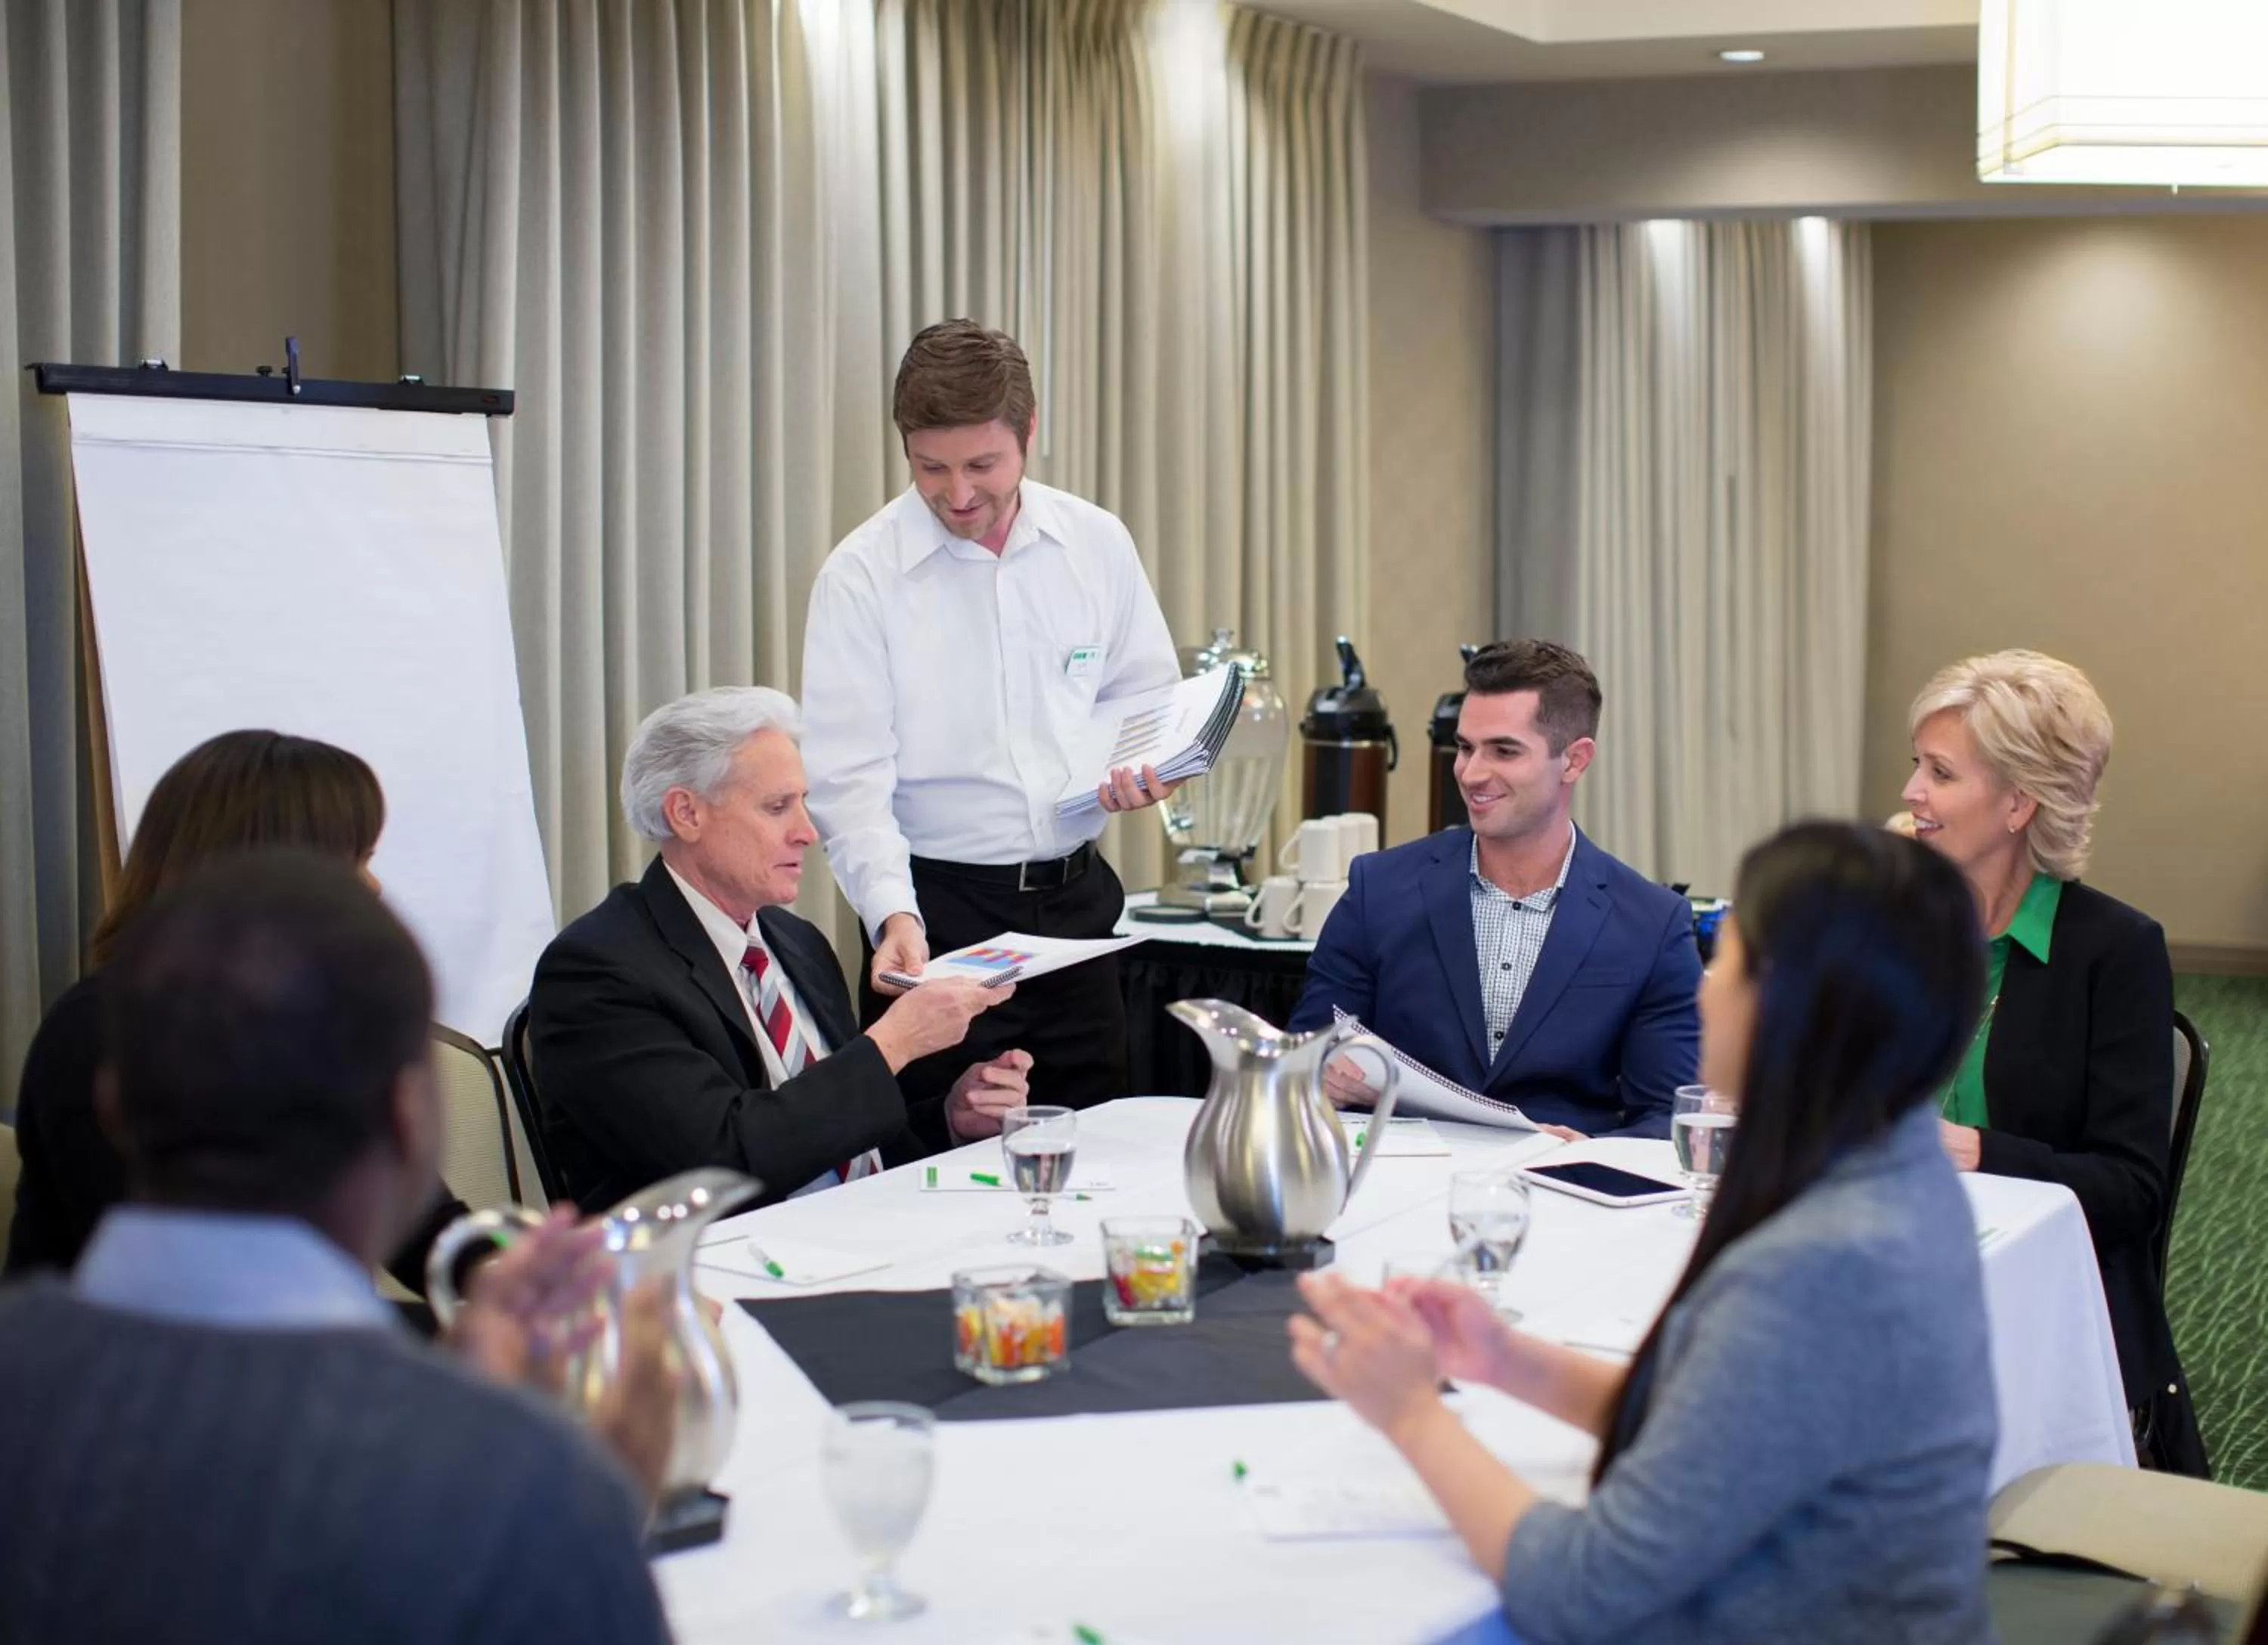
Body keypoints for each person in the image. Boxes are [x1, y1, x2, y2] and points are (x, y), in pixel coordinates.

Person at [1288, 822, 1998, 1644]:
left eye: (1727, 962)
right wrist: (1503, 1358)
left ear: (1791, 1008)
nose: (1703, 992)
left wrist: (1410, 1413)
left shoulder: (1827, 1263)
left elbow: (1578, 1591)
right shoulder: (1893, 1165)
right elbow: (1719, 1427)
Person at [0, 853, 674, 1644]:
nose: (376, 875)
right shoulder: (521, 1493)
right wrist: (601, 1493)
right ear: (411, 1121)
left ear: (112, 1105)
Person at [800, 318, 1182, 1138]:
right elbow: (848, 783)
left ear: (1029, 431)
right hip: (938, 918)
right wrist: (893, 917)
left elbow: (1144, 694)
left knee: (1092, 1148)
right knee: (933, 1161)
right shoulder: (861, 577)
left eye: (983, 465)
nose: (959, 493)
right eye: (930, 467)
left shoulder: (1095, 543)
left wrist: (1145, 764)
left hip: (1078, 914)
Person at [529, 686, 1030, 1210]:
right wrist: (894, 1043)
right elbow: (722, 1163)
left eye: (804, 804)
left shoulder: (797, 942)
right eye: (777, 807)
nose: (807, 833)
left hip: (862, 1228)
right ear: (686, 813)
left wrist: (949, 1120)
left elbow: (839, 1141)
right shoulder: (597, 973)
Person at [6, 730, 472, 1287]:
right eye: (353, 860)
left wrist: (507, 1262)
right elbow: (186, 1279)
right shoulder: (100, 1032)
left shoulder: (318, 1016)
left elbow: (422, 1223)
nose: (371, 887)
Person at [1903, 649, 2205, 1476]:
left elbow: (2131, 1191)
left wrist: (1973, 1150)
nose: (1911, 791)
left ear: (2018, 803)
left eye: (1940, 773)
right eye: (1917, 764)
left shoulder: (2114, 951)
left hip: (2030, 1299)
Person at [1287, 640, 1699, 1139]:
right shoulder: (1378, 889)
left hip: (1562, 1185)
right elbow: (1304, 1057)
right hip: (1399, 1177)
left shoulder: (1653, 923)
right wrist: (1319, 1074)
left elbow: (1670, 1119)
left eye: (1504, 751)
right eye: (1465, 747)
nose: (1471, 773)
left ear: (1574, 760)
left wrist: (1588, 1152)